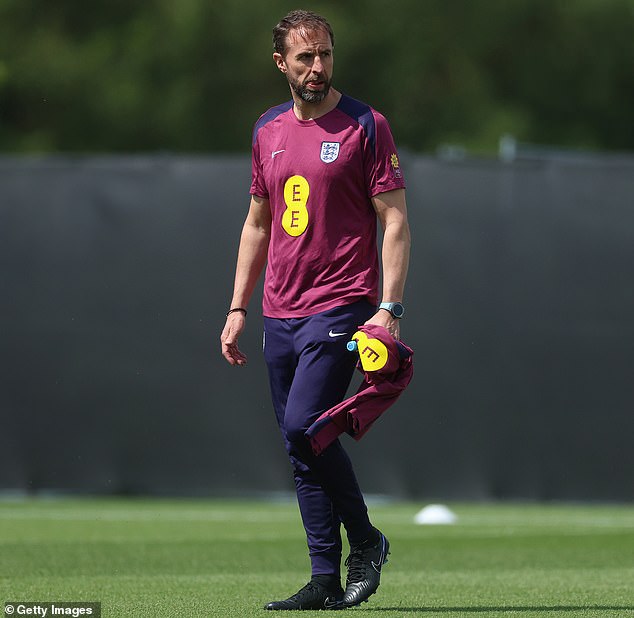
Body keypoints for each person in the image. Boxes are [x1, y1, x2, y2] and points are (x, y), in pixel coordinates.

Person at [220, 9, 411, 611]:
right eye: (305, 57)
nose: (318, 67)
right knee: (299, 445)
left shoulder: (365, 125)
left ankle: (367, 541)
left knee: (308, 426)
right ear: (282, 64)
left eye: (325, 54)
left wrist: (389, 309)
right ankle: (324, 577)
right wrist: (237, 308)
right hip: (280, 310)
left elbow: (396, 219)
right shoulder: (267, 129)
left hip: (343, 303)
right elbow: (257, 223)